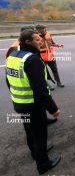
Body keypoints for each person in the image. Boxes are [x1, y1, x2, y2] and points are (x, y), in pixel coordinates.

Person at [6, 29, 61, 174]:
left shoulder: (13, 55)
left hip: (19, 102)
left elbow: (8, 81)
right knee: (40, 134)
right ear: (27, 42)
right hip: (33, 105)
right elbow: (41, 90)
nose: (41, 41)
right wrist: (53, 109)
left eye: (40, 39)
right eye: (37, 40)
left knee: (29, 131)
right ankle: (43, 164)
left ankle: (35, 153)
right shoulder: (32, 60)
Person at [6, 26, 58, 125]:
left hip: (20, 99)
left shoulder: (27, 45)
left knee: (30, 127)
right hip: (29, 97)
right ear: (26, 39)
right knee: (38, 133)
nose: (39, 41)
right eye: (36, 39)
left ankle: (44, 119)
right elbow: (39, 88)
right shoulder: (15, 48)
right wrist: (53, 109)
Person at [36, 24, 65, 89]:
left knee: (55, 69)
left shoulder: (48, 34)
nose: (45, 30)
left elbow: (51, 43)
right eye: (43, 29)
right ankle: (47, 85)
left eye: (45, 29)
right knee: (43, 71)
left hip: (50, 56)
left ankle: (58, 82)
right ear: (38, 30)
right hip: (41, 57)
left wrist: (58, 45)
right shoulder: (35, 37)